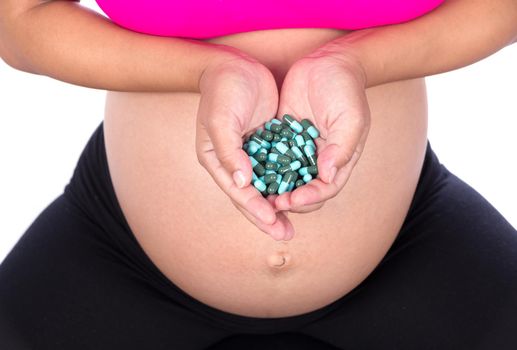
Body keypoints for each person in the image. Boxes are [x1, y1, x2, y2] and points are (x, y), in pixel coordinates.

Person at [0, 0, 516, 348]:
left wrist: (355, 64)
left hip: (408, 244)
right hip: (117, 258)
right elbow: (20, 22)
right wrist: (204, 71)